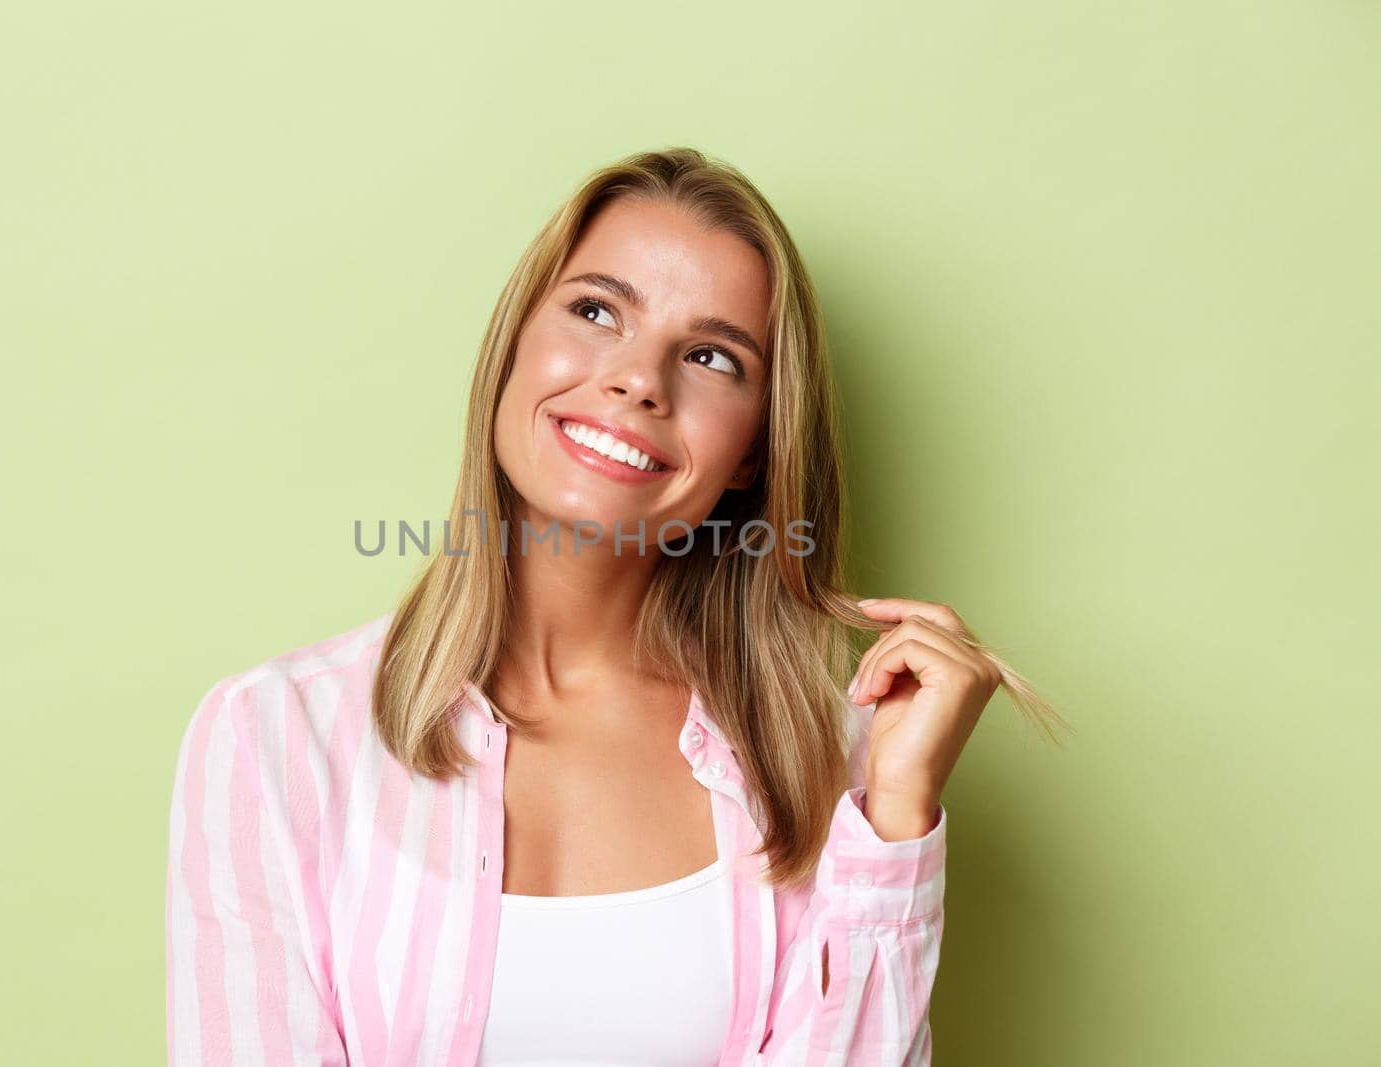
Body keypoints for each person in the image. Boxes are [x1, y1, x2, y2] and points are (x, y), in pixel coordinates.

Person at [165, 146, 1066, 1066]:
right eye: (597, 311)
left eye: (712, 356)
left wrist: (896, 810)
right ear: (516, 342)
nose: (640, 379)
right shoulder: (275, 736)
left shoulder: (828, 771)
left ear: (753, 450)